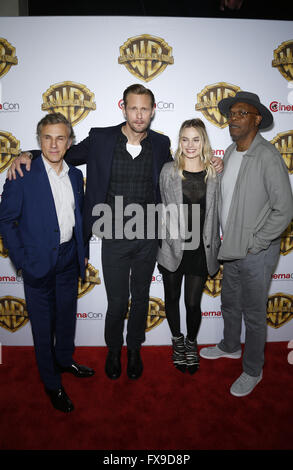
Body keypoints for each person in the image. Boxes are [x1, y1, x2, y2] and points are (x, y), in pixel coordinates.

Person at [8, 84, 223, 381]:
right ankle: (113, 350)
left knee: (141, 297)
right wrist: (27, 153)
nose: (139, 114)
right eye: (133, 108)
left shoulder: (160, 144)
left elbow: (185, 166)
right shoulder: (101, 138)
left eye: (144, 109)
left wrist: (214, 160)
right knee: (117, 302)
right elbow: (62, 152)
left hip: (148, 236)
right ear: (123, 107)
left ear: (152, 110)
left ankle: (134, 349)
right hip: (113, 236)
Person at [200, 91, 293, 397]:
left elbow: (285, 208)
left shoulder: (267, 156)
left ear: (256, 119)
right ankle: (229, 346)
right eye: (232, 114)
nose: (234, 119)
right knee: (229, 302)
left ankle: (253, 369)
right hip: (231, 248)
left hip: (255, 252)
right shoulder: (230, 151)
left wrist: (258, 241)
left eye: (242, 114)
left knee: (253, 314)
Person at [0, 113, 95, 413]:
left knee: (66, 317)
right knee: (43, 327)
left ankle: (65, 360)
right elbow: (6, 219)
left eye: (60, 138)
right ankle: (51, 383)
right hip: (37, 263)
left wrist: (80, 252)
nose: (54, 144)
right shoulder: (22, 173)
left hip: (68, 259)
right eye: (47, 138)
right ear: (39, 140)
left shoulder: (75, 175)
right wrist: (21, 261)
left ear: (70, 142)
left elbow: (75, 217)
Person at [157, 119, 221, 374]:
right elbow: (160, 207)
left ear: (203, 141)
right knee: (171, 298)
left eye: (196, 139)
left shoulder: (216, 173)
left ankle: (191, 343)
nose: (190, 144)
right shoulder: (167, 171)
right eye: (185, 139)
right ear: (179, 141)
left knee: (193, 304)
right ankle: (177, 341)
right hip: (172, 247)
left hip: (200, 249)